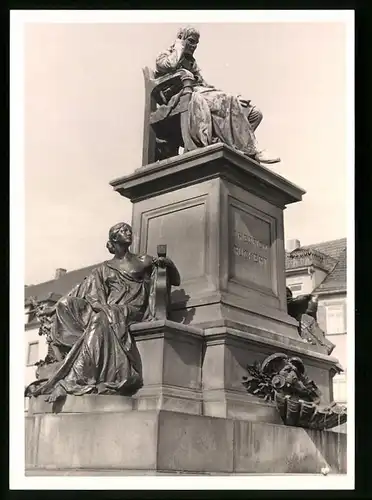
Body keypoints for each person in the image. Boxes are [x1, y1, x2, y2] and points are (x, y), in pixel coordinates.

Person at [25, 222, 180, 403]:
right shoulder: (104, 268)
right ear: (114, 239)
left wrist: (168, 264)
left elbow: (175, 280)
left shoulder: (143, 260)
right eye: (122, 231)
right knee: (68, 305)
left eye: (128, 230)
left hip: (132, 309)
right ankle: (76, 366)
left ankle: (74, 380)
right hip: (109, 309)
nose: (127, 232)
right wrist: (55, 306)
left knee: (102, 317)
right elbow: (82, 288)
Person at [155, 26, 280, 164]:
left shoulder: (192, 62)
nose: (194, 46)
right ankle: (252, 150)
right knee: (225, 99)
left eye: (196, 43)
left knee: (252, 111)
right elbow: (170, 64)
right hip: (180, 97)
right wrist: (179, 46)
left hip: (198, 92)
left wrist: (231, 97)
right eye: (190, 41)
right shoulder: (165, 55)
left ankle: (236, 147)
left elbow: (204, 84)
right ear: (181, 38)